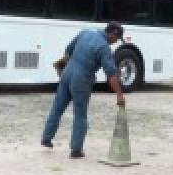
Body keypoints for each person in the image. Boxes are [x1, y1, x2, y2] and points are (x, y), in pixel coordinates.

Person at [41, 22, 126, 158]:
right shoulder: (104, 48)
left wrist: (68, 68)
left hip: (68, 71)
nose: (115, 42)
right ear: (113, 34)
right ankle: (76, 150)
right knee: (80, 114)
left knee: (57, 108)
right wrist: (119, 95)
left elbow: (68, 50)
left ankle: (46, 138)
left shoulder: (86, 32)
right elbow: (111, 74)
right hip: (82, 78)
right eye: (116, 39)